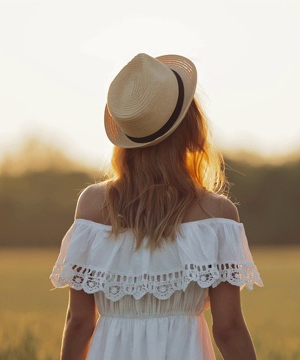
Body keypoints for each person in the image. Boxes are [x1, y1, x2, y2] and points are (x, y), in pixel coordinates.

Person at [50, 53, 263, 360]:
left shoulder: (93, 205)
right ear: (192, 131)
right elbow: (228, 330)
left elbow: (79, 321)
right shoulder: (216, 215)